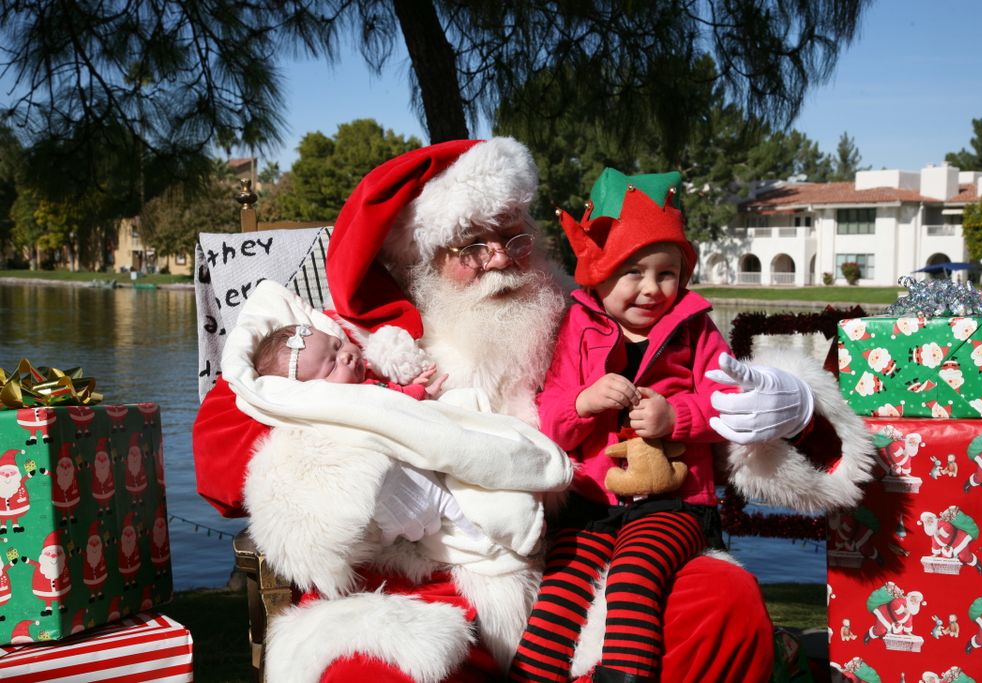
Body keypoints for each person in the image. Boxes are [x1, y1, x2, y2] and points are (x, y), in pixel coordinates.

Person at [192, 137, 875, 683]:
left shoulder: (576, 321)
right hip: (418, 590)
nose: (502, 262)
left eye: (514, 237)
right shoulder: (360, 339)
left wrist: (789, 402)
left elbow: (715, 400)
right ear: (422, 261)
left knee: (720, 607)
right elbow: (223, 441)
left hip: (570, 570)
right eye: (472, 246)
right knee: (365, 670)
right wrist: (345, 466)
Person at [509, 168, 757, 683]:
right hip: (592, 501)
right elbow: (549, 416)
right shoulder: (577, 327)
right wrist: (582, 402)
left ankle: (626, 676)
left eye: (665, 273)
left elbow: (731, 402)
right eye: (633, 272)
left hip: (677, 501)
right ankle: (532, 676)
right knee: (560, 587)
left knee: (634, 574)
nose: (650, 289)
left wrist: (678, 416)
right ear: (599, 275)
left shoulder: (696, 329)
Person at [252, 321, 447, 399]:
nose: (344, 356)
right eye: (331, 365)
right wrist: (423, 392)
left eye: (337, 345)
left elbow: (390, 389)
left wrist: (409, 385)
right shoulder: (355, 395)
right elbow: (393, 401)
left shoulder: (363, 374)